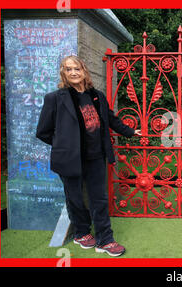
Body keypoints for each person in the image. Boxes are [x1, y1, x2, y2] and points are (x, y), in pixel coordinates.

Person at [36, 55, 141, 257]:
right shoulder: (55, 99)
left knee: (99, 199)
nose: (73, 72)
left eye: (77, 68)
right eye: (68, 69)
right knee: (74, 198)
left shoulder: (97, 96)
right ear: (63, 73)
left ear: (84, 71)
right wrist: (64, 146)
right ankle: (82, 233)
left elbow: (111, 119)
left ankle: (105, 239)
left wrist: (129, 131)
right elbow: (43, 131)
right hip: (69, 158)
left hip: (96, 157)